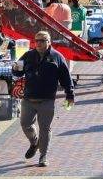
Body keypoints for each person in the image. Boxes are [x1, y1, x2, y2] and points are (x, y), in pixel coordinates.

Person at [12, 30, 73, 167]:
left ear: (48, 42)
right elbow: (18, 71)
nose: (38, 43)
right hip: (29, 98)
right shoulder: (28, 55)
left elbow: (65, 78)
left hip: (47, 99)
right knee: (25, 123)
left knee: (44, 128)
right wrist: (15, 69)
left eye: (41, 41)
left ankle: (43, 156)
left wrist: (70, 95)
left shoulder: (57, 57)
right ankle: (34, 142)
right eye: (36, 40)